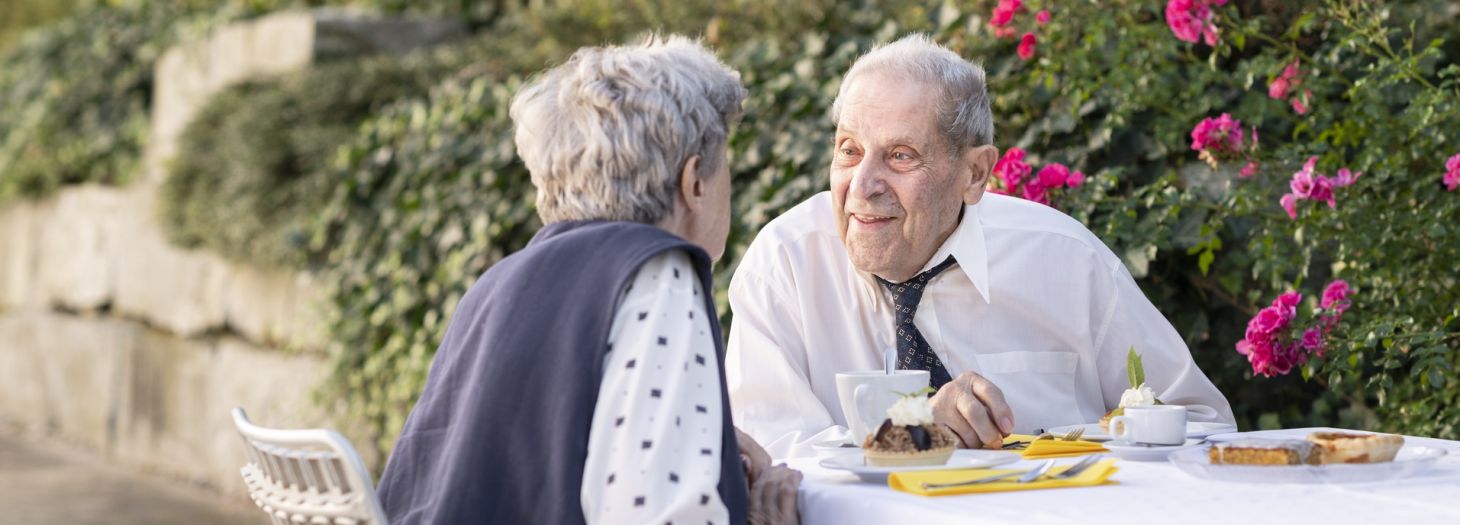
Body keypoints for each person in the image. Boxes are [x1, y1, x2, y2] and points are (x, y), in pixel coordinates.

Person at [726, 34, 1235, 459]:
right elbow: (772, 457)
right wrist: (920, 433)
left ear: (974, 173)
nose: (862, 185)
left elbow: (1201, 424)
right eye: (849, 150)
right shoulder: (785, 266)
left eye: (900, 156)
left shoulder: (1065, 261)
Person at [375, 36, 800, 525]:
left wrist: (710, 446)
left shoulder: (499, 282)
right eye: (726, 165)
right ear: (694, 182)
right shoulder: (658, 276)